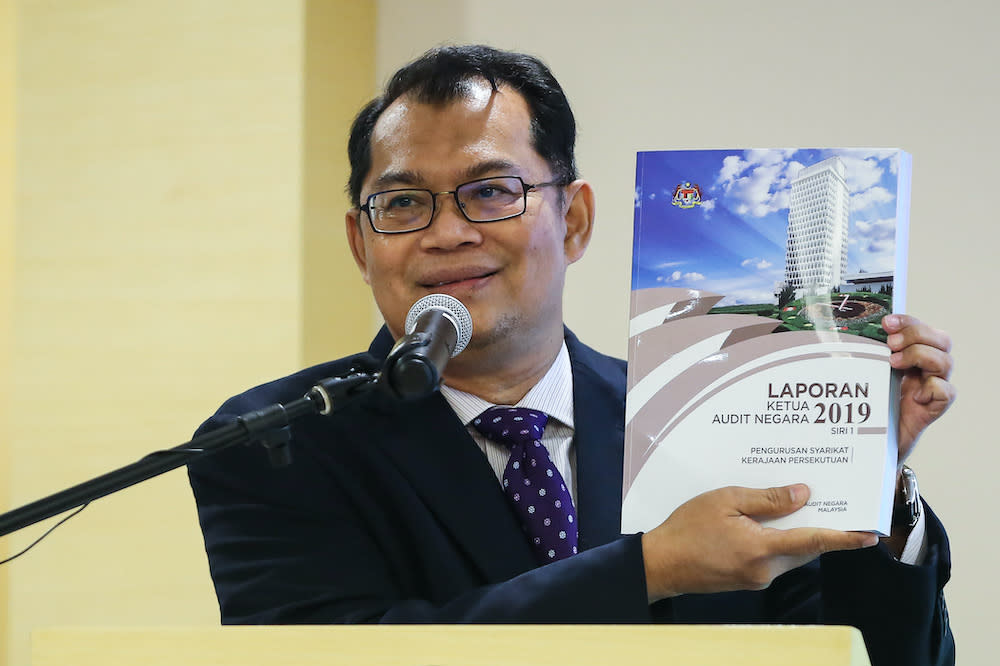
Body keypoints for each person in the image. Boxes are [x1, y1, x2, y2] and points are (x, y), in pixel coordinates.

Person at [188, 45, 956, 666]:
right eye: (401, 202)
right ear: (361, 242)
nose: (447, 233)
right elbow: (335, 657)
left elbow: (863, 658)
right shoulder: (278, 440)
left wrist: (871, 482)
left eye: (491, 191)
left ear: (576, 220)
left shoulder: (707, 411)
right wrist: (648, 569)